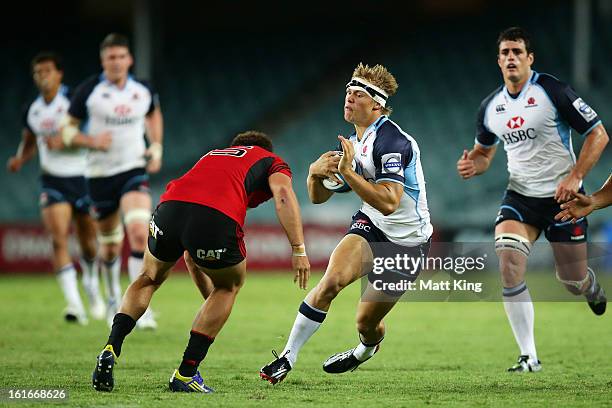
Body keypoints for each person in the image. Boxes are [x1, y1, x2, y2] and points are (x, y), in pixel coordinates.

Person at [91, 131, 310, 393]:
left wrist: (211, 301)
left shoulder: (213, 155)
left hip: (169, 208)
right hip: (213, 217)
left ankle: (110, 347)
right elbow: (283, 194)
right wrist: (298, 249)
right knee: (228, 287)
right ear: (265, 149)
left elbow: (191, 254)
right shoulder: (272, 160)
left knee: (148, 278)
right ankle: (186, 373)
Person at [259, 63, 433, 384]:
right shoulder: (353, 142)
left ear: (377, 104)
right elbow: (319, 197)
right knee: (330, 283)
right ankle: (287, 357)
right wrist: (314, 173)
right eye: (347, 92)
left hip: (408, 242)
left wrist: (349, 172)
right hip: (372, 226)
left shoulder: (392, 142)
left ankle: (365, 351)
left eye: (357, 94)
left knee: (366, 323)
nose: (348, 98)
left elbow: (390, 201)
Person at [457, 27, 609, 373]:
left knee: (571, 280)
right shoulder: (490, 107)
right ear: (498, 61)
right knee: (509, 263)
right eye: (505, 52)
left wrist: (576, 177)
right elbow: (483, 153)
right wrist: (472, 165)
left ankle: (588, 285)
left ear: (529, 58)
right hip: (520, 198)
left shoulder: (552, 91)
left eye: (517, 51)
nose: (511, 57)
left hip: (564, 199)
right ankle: (529, 356)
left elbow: (598, 134)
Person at [55, 33, 164, 329]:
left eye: (120, 57)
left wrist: (155, 146)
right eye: (110, 58)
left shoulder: (143, 90)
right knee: (111, 248)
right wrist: (90, 140)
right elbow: (66, 131)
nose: (116, 62)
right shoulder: (87, 91)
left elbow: (154, 115)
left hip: (133, 170)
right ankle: (114, 297)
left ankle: (140, 307)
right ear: (103, 61)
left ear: (129, 59)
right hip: (99, 175)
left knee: (141, 233)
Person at [7, 52, 109, 324]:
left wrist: (66, 142)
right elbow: (29, 140)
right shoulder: (33, 110)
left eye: (47, 71)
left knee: (89, 242)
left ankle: (90, 282)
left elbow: (93, 137)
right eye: (38, 73)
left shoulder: (74, 101)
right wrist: (20, 158)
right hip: (52, 181)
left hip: (83, 178)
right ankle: (74, 304)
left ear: (59, 74)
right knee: (58, 238)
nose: (42, 77)